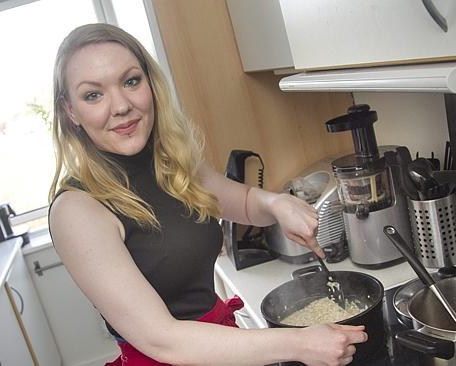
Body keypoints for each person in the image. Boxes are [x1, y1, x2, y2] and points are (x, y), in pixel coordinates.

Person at [48, 23, 367, 366]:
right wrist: (298, 344)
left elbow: (244, 203)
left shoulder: (171, 166)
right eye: (93, 94)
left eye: (130, 81)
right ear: (70, 111)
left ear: (150, 85)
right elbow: (163, 340)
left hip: (220, 346)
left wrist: (278, 203)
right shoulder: (77, 210)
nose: (122, 105)